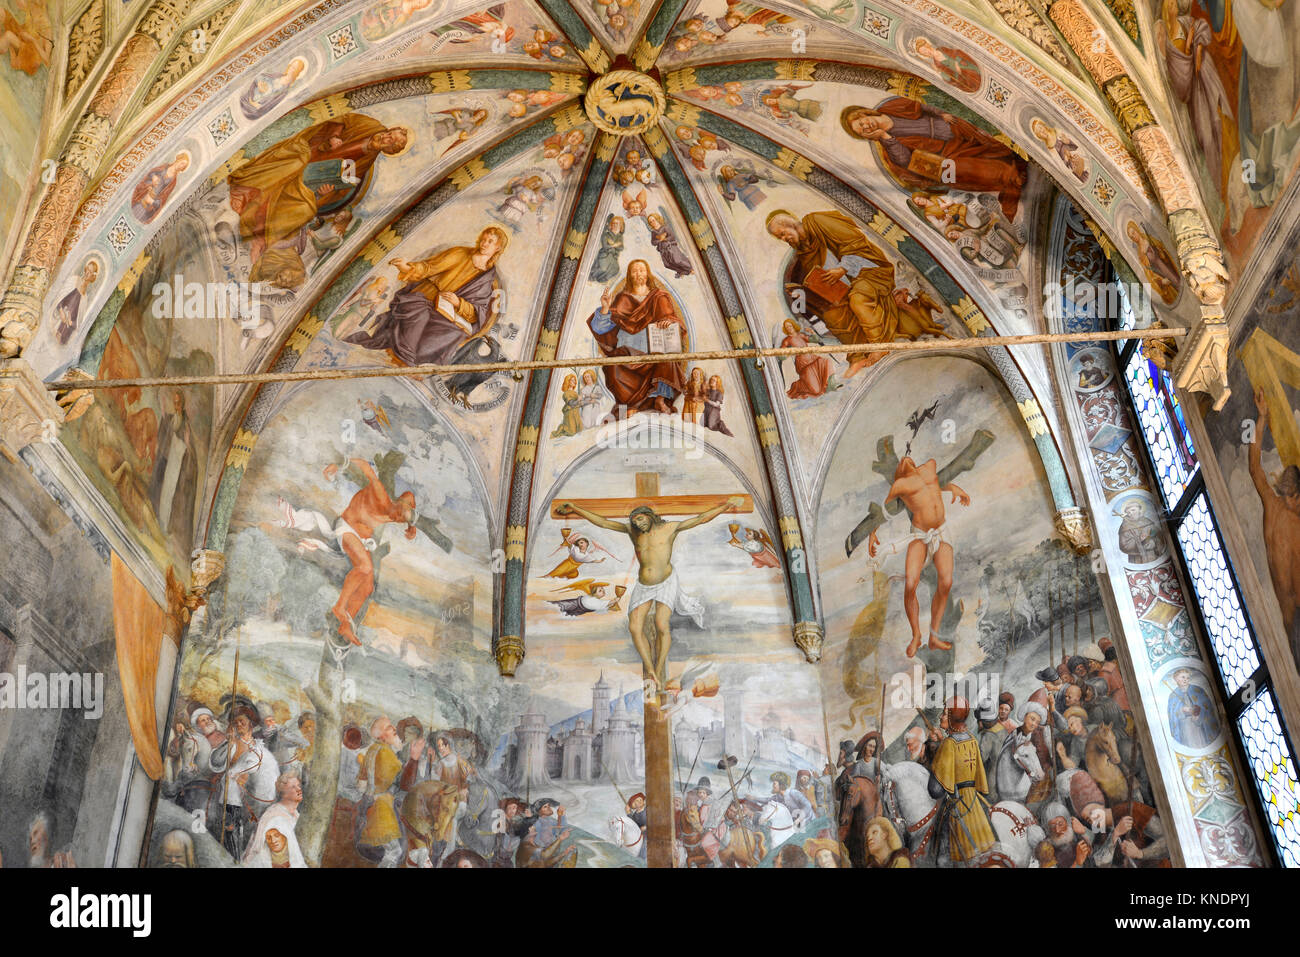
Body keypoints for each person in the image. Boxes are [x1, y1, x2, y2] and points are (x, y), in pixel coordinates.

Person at [557, 496, 742, 688]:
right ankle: (650, 668)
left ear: (650, 516)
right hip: (644, 584)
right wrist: (576, 509)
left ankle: (659, 665)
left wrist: (725, 507)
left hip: (666, 581)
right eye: (634, 521)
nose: (637, 523)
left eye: (640, 519)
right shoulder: (632, 531)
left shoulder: (670, 528)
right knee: (634, 628)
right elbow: (603, 522)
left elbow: (700, 518)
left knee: (662, 625)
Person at [227, 114, 408, 262]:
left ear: (388, 150)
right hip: (310, 149)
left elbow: (347, 185)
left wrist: (328, 191)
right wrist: (335, 136)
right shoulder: (369, 125)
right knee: (294, 164)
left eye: (389, 143)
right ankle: (246, 195)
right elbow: (341, 118)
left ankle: (261, 237)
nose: (385, 138)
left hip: (309, 179)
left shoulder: (369, 159)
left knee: (305, 209)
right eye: (389, 135)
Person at [766, 208, 903, 376]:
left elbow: (855, 241)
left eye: (782, 234)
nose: (784, 239)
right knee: (833, 317)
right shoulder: (804, 253)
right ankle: (857, 355)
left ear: (789, 224)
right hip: (845, 286)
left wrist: (843, 268)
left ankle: (879, 344)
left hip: (868, 269)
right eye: (780, 238)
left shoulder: (817, 220)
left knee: (857, 299)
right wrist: (804, 291)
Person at [345, 226, 507, 367]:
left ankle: (417, 360)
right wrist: (407, 267)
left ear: (498, 248)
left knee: (455, 333)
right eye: (484, 239)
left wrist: (458, 302)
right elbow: (429, 267)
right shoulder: (460, 254)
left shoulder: (487, 278)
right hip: (426, 297)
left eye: (490, 241)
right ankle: (404, 358)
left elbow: (478, 311)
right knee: (420, 314)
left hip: (447, 312)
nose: (484, 244)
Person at [840, 99, 1027, 220]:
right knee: (958, 171)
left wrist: (940, 112)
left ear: (863, 114)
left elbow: (919, 104)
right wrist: (885, 136)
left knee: (990, 137)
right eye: (862, 131)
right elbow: (905, 160)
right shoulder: (887, 146)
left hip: (948, 127)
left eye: (862, 122)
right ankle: (1008, 177)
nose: (866, 126)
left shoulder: (888, 108)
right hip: (943, 155)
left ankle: (1016, 156)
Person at [867, 454, 971, 656]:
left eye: (909, 460)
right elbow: (885, 511)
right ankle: (916, 635)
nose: (906, 461)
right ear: (899, 472)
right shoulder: (900, 485)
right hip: (920, 534)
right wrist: (873, 532)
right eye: (901, 465)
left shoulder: (930, 466)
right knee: (910, 584)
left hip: (941, 531)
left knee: (946, 582)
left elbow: (939, 482)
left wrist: (953, 488)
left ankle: (934, 636)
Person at [588, 259, 690, 416]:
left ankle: (659, 398)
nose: (638, 274)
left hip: (653, 353)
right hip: (628, 354)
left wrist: (667, 321)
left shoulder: (659, 297)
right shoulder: (622, 299)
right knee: (613, 368)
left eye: (641, 270)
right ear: (630, 275)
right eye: (634, 271)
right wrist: (606, 308)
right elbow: (600, 328)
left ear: (647, 273)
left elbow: (676, 324)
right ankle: (628, 406)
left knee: (668, 361)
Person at [1249, 387, 1300, 661]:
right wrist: (1261, 419)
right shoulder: (1276, 506)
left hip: (1293, 615)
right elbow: (1255, 470)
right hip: (1292, 618)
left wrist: (1261, 419)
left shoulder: (1280, 510)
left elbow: (1255, 470)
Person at [927, 696, 995, 863]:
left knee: (942, 857)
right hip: (975, 807)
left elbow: (935, 790)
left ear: (952, 717)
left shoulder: (949, 744)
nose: (940, 717)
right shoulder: (972, 739)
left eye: (944, 713)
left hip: (957, 809)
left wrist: (937, 758)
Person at [356, 715, 404, 867]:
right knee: (394, 851)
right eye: (390, 728)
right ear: (382, 736)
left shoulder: (372, 749)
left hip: (368, 801)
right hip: (381, 805)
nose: (394, 729)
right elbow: (394, 779)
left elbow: (361, 782)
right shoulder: (386, 752)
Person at [243, 773, 306, 867]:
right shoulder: (272, 814)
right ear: (284, 793)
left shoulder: (296, 815)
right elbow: (257, 848)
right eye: (293, 787)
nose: (299, 789)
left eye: (298, 786)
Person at [1166, 667, 1222, 747]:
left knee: (1200, 741)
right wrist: (1182, 710)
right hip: (1185, 725)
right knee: (1189, 742)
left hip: (1199, 723)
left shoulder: (1197, 690)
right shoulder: (1173, 695)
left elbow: (1207, 707)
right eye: (1183, 677)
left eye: (1187, 678)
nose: (1186, 679)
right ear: (1176, 679)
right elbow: (1172, 713)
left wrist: (1198, 715)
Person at [780, 318, 834, 398]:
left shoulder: (801, 335)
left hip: (813, 358)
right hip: (803, 364)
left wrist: (812, 332)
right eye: (787, 327)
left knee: (827, 362)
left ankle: (832, 383)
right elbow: (781, 355)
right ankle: (799, 385)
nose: (789, 328)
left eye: (790, 326)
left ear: (794, 326)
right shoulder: (787, 340)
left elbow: (815, 340)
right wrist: (787, 352)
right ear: (785, 329)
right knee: (816, 391)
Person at [53, 259, 99, 346]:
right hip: (58, 323)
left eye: (90, 272)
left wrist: (71, 323)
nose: (87, 273)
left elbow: (78, 322)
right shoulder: (74, 281)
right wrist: (61, 311)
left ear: (93, 277)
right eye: (87, 270)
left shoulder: (85, 299)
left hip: (66, 334)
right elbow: (59, 299)